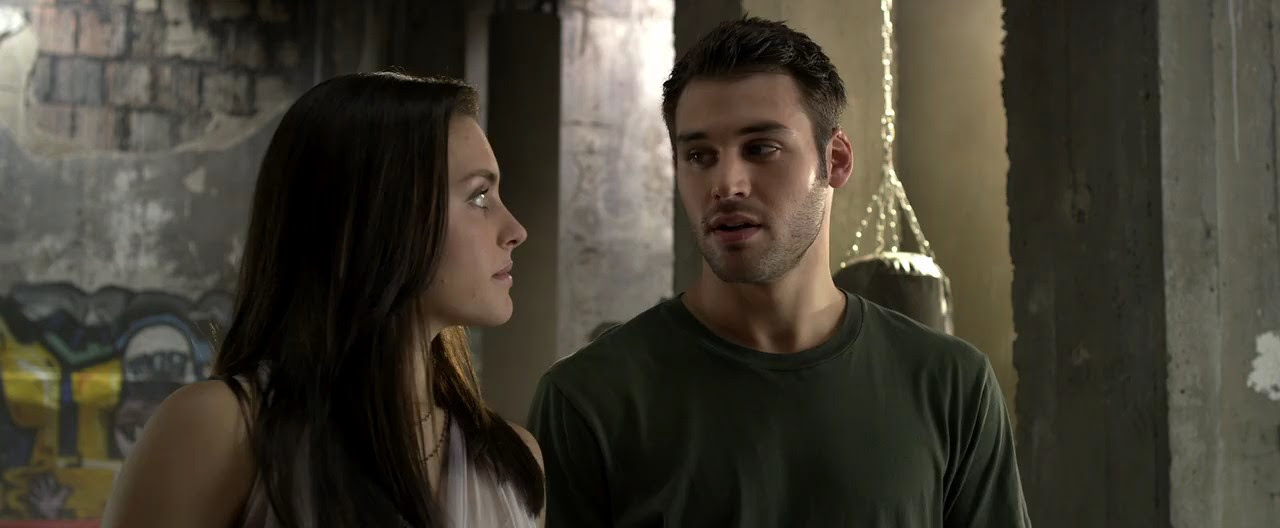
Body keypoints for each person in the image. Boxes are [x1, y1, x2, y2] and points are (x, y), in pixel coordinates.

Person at [528, 17, 1031, 527]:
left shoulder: (952, 386)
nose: (727, 183)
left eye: (760, 148)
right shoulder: (588, 399)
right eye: (699, 155)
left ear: (835, 160)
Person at [102, 72, 544, 528]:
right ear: (377, 215)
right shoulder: (219, 429)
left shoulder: (511, 464)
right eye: (478, 196)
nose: (516, 230)